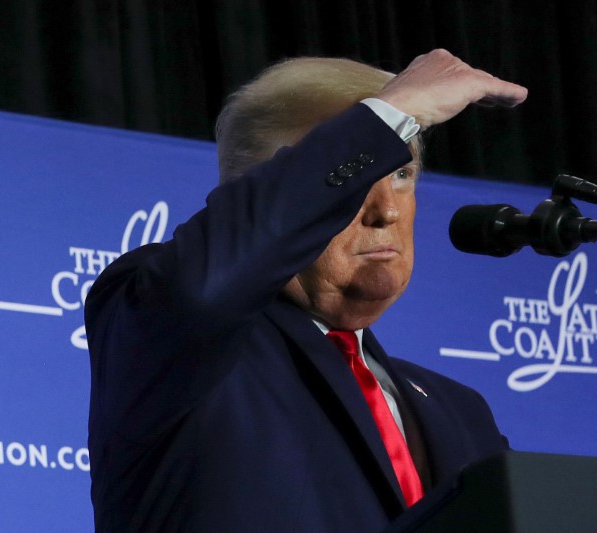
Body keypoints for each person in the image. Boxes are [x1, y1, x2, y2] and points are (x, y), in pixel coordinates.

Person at [85, 49, 528, 532]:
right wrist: (390, 112)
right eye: (356, 179)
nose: (388, 211)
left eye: (401, 174)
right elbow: (202, 291)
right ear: (265, 191)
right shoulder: (175, 344)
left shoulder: (461, 413)